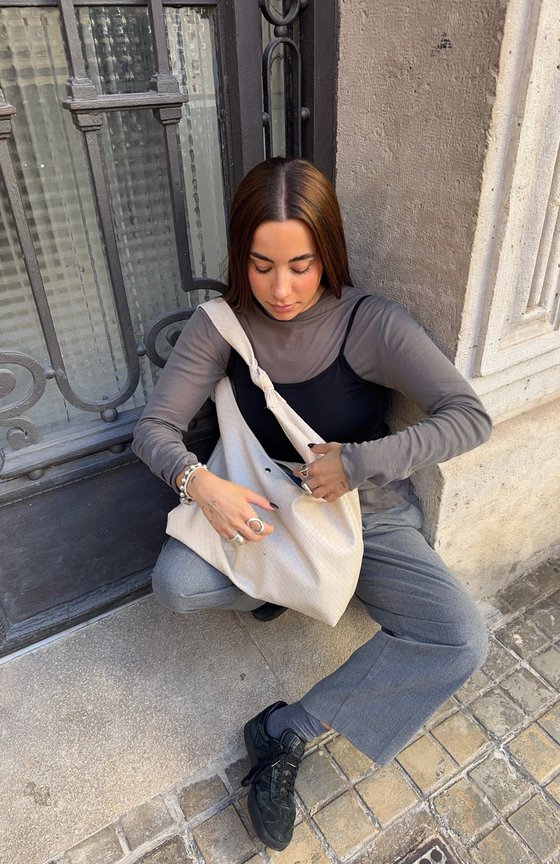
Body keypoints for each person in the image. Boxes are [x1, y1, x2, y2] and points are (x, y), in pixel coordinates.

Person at [132, 157, 491, 852]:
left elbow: (468, 417)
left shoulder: (369, 323)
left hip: (368, 516)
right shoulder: (221, 326)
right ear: (241, 257)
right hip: (267, 507)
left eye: (301, 264)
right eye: (262, 265)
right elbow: (154, 429)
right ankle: (282, 592)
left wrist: (357, 463)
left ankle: (287, 730)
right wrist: (198, 484)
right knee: (176, 585)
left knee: (458, 640)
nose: (282, 287)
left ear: (328, 251)